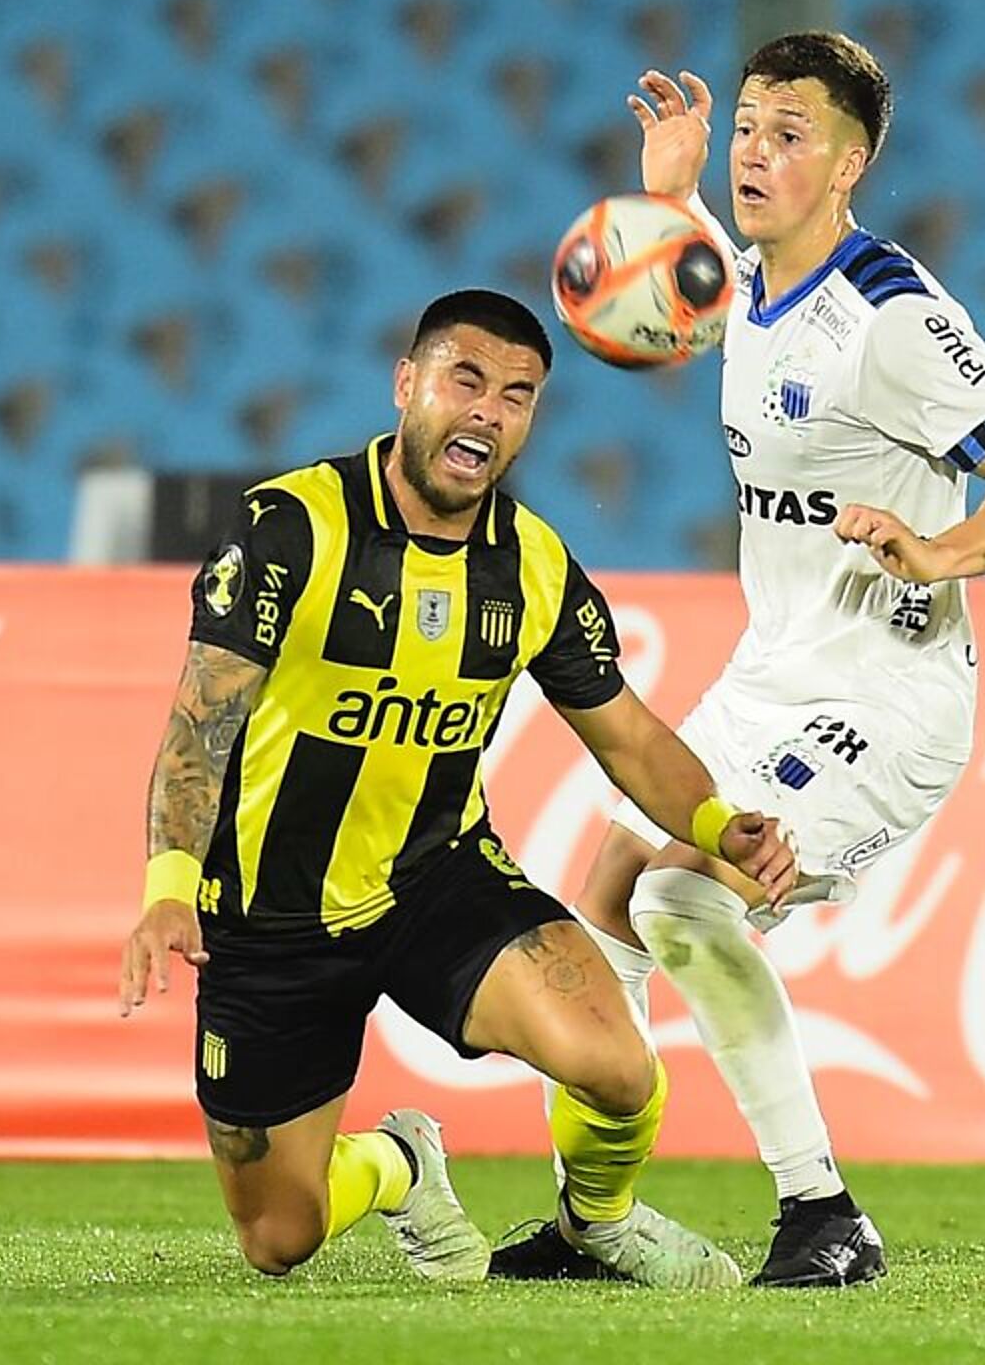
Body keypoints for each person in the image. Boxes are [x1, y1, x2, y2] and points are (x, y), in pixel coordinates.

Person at [491, 34, 985, 1288]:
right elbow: (698, 292)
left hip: (890, 687)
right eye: (748, 126)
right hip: (771, 670)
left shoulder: (895, 316)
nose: (758, 150)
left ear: (851, 162)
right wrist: (669, 192)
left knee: (681, 895)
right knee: (604, 892)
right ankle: (593, 1220)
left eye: (787, 133)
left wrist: (938, 549)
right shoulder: (739, 279)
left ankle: (822, 1214)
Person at [117, 288, 797, 1290]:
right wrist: (168, 884)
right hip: (268, 917)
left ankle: (596, 1225)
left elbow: (629, 735)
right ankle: (400, 1163)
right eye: (464, 379)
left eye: (516, 396)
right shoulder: (291, 529)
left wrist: (712, 823)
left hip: (435, 881)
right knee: (278, 1237)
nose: (486, 411)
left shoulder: (531, 567)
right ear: (407, 385)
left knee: (618, 1067)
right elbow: (199, 725)